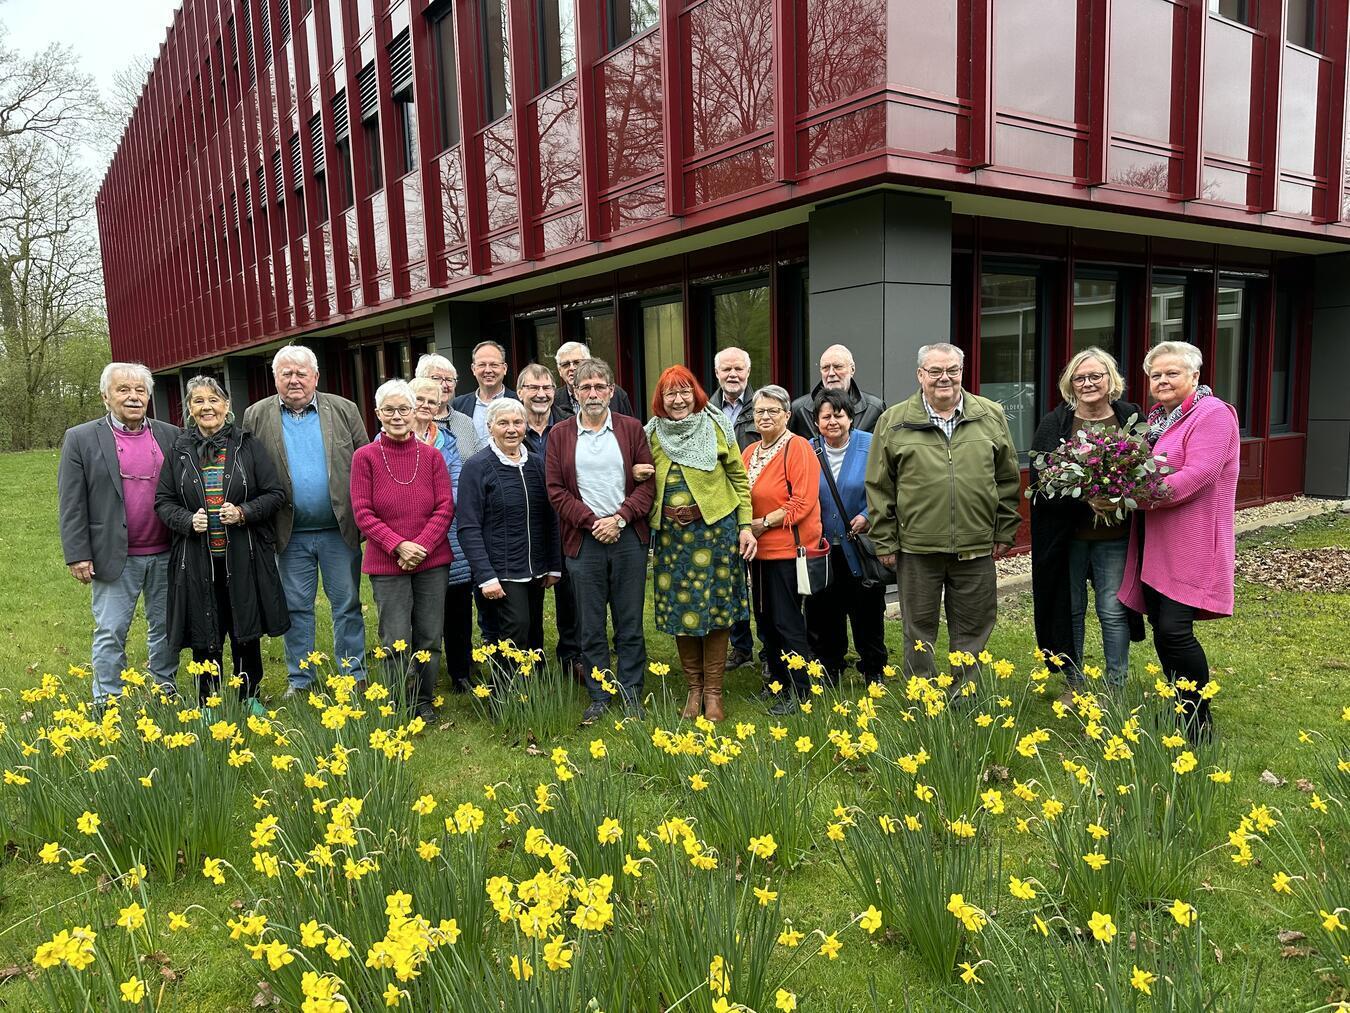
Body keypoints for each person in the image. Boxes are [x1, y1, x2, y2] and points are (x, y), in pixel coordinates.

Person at [865, 342, 1020, 687]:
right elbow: (879, 485)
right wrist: (885, 540)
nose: (944, 378)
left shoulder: (989, 415)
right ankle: (922, 692)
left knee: (973, 625)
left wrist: (1004, 530)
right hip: (918, 547)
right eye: (935, 371)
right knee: (919, 627)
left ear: (962, 372)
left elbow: (1007, 479)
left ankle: (966, 693)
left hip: (976, 544)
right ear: (920, 375)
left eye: (952, 370)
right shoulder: (895, 421)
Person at [1118, 341, 1238, 740]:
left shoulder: (1213, 414)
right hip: (1155, 539)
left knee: (1174, 629)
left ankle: (1198, 724)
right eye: (1156, 374)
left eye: (1173, 373)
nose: (1164, 380)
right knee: (1162, 627)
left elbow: (1197, 475)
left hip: (1192, 539)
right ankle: (1180, 710)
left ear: (1195, 376)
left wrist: (1131, 496)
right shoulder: (1157, 420)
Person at [155, 376, 289, 712]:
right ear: (190, 409)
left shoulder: (247, 444)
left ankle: (249, 697)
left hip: (243, 555)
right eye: (198, 401)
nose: (206, 407)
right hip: (198, 558)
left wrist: (244, 512)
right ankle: (208, 700)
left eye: (213, 400)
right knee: (204, 629)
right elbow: (163, 500)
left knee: (245, 627)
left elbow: (275, 495)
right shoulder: (179, 449)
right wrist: (187, 521)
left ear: (227, 406)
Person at [242, 345, 369, 697]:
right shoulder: (256, 415)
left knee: (347, 605)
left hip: (339, 530)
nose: (294, 380)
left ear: (315, 376)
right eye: (286, 373)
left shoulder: (344, 410)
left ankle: (351, 674)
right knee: (296, 608)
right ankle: (301, 679)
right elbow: (247, 470)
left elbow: (365, 462)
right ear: (275, 378)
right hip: (288, 532)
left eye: (301, 373)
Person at [59, 363, 181, 707]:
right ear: (105, 396)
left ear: (149, 396)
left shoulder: (170, 435)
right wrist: (77, 553)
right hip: (114, 554)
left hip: (166, 552)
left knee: (166, 627)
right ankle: (107, 699)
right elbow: (71, 502)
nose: (133, 396)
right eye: (123, 390)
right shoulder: (81, 438)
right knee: (111, 630)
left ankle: (164, 689)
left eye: (140, 390)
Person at [642, 365, 756, 721]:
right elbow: (638, 473)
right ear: (661, 399)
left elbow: (739, 477)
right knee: (681, 611)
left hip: (716, 532)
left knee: (718, 610)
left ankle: (714, 693)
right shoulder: (651, 434)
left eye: (684, 391)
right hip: (672, 539)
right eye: (670, 393)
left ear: (696, 394)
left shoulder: (717, 426)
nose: (678, 399)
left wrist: (746, 525)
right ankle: (694, 689)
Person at [546, 359, 655, 724]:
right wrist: (593, 523)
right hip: (584, 541)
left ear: (611, 391)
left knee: (629, 621)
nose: (592, 393)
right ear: (574, 393)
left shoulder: (631, 429)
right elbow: (556, 491)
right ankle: (599, 693)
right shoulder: (560, 434)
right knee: (589, 624)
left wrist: (620, 518)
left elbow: (647, 486)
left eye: (599, 386)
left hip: (628, 538)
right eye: (585, 387)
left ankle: (630, 692)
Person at [1029, 348, 1143, 697]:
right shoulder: (1056, 423)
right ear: (1070, 385)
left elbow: (1145, 468)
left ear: (1111, 379)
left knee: (1112, 608)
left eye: (1096, 376)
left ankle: (1115, 684)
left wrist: (1121, 492)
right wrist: (1083, 497)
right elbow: (1042, 480)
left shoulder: (1130, 417)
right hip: (1068, 537)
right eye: (1080, 378)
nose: (1088, 383)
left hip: (1116, 536)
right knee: (1070, 608)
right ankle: (1073, 681)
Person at [349, 379, 454, 720]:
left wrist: (421, 545)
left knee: (429, 634)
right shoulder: (364, 457)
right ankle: (398, 700)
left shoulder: (432, 456)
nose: (397, 416)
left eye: (404, 409)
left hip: (431, 560)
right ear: (378, 413)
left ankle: (424, 700)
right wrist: (398, 545)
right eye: (390, 410)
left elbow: (444, 507)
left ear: (415, 413)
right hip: (386, 561)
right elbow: (362, 512)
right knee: (395, 638)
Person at [457, 399, 562, 653]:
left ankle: (533, 689)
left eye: (517, 422)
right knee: (515, 629)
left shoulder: (537, 464)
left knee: (534, 632)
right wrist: (485, 575)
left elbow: (550, 518)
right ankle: (507, 689)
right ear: (490, 426)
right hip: (500, 570)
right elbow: (468, 527)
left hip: (536, 568)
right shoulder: (476, 467)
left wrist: (554, 565)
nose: (511, 429)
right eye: (503, 423)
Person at [743, 385, 823, 715]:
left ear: (787, 415)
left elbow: (803, 501)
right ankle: (775, 683)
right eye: (759, 411)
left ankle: (799, 689)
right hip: (755, 554)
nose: (764, 416)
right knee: (765, 622)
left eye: (772, 411)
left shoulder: (798, 447)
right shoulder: (748, 453)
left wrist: (763, 522)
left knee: (788, 622)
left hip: (787, 552)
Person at [805, 390, 888, 686]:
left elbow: (888, 488)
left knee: (867, 610)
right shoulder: (808, 450)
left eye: (839, 415)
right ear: (816, 422)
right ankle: (830, 667)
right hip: (823, 549)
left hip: (860, 547)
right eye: (825, 416)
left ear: (851, 418)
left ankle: (873, 669)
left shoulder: (871, 445)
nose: (832, 422)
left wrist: (867, 514)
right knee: (825, 611)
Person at [410, 377, 480, 693]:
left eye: (432, 401)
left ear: (440, 405)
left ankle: (460, 673)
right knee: (417, 612)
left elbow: (455, 486)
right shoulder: (390, 438)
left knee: (457, 609)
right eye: (419, 399)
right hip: (408, 540)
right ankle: (419, 676)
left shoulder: (449, 440)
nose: (425, 406)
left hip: (449, 534)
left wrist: (432, 509)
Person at [516, 363, 583, 680]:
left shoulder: (570, 427)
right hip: (529, 528)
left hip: (568, 524)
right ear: (520, 393)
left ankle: (572, 656)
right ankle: (533, 660)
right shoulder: (512, 430)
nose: (541, 394)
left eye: (546, 388)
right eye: (533, 388)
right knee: (529, 597)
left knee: (571, 594)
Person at [708, 346, 759, 670]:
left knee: (765, 584)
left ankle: (772, 649)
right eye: (726, 370)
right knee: (730, 580)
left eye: (738, 369)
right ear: (717, 374)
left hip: (761, 503)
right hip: (721, 507)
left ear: (748, 372)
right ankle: (741, 647)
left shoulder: (762, 405)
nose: (732, 375)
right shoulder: (706, 410)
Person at [789, 344, 886, 437]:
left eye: (838, 367)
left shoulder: (873, 409)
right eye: (825, 368)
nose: (831, 373)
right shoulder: (800, 410)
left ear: (852, 369)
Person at [451, 340, 519, 443]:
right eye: (482, 365)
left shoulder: (519, 402)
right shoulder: (459, 405)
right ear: (473, 369)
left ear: (504, 369)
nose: (488, 370)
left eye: (494, 365)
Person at [552, 341, 635, 418]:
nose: (572, 368)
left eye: (577, 362)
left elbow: (629, 429)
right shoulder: (553, 400)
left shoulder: (617, 394)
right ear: (560, 371)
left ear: (589, 363)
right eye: (565, 364)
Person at [414, 352, 459, 423]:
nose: (444, 385)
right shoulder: (407, 422)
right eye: (436, 378)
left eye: (449, 379)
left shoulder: (466, 423)